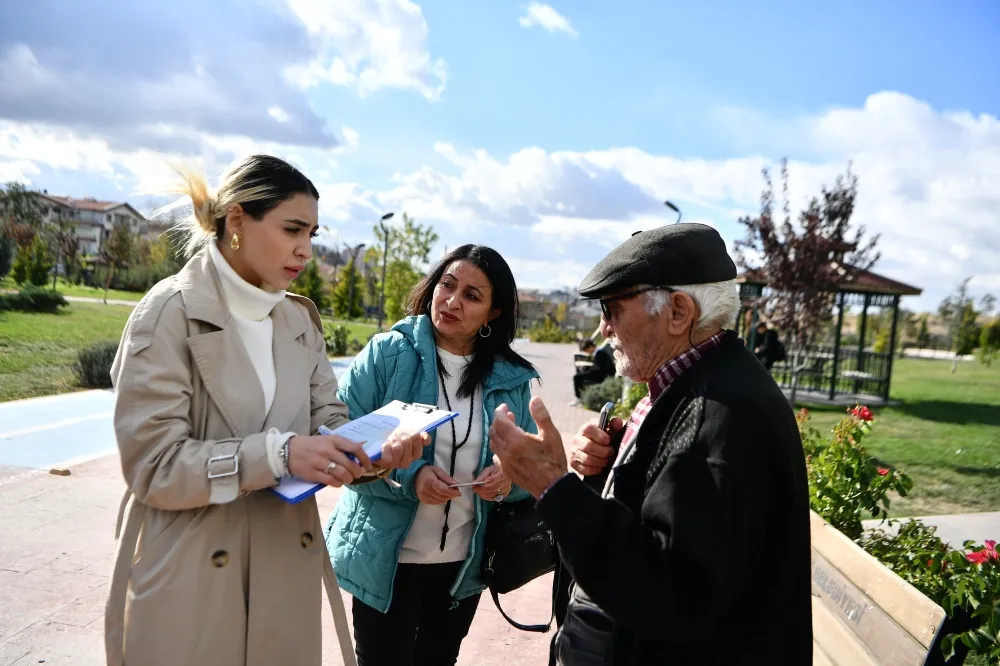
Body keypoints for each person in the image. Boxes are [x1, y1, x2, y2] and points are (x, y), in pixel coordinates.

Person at [104, 154, 428, 666]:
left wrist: (377, 452)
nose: (305, 249)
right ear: (237, 221)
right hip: (193, 579)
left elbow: (330, 421)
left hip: (284, 576)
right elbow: (155, 466)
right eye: (292, 229)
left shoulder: (297, 320)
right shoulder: (168, 313)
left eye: (313, 234)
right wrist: (279, 455)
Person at [489, 223, 813, 665]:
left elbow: (668, 598)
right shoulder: (707, 384)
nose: (604, 328)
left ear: (678, 312)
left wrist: (553, 486)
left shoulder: (716, 416)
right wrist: (615, 464)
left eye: (612, 309)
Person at [325, 244, 541, 666]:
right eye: (447, 285)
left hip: (463, 567)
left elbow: (530, 467)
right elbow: (339, 443)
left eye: (472, 296)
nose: (452, 302)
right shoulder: (387, 353)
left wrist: (507, 478)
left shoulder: (510, 377)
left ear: (493, 314)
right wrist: (412, 478)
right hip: (387, 561)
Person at [570, 338, 616, 405]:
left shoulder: (600, 353)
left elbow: (599, 368)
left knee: (577, 377)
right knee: (580, 375)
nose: (587, 352)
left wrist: (587, 372)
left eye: (586, 350)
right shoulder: (599, 352)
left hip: (603, 376)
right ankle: (581, 398)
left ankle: (578, 398)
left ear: (591, 347)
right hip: (601, 374)